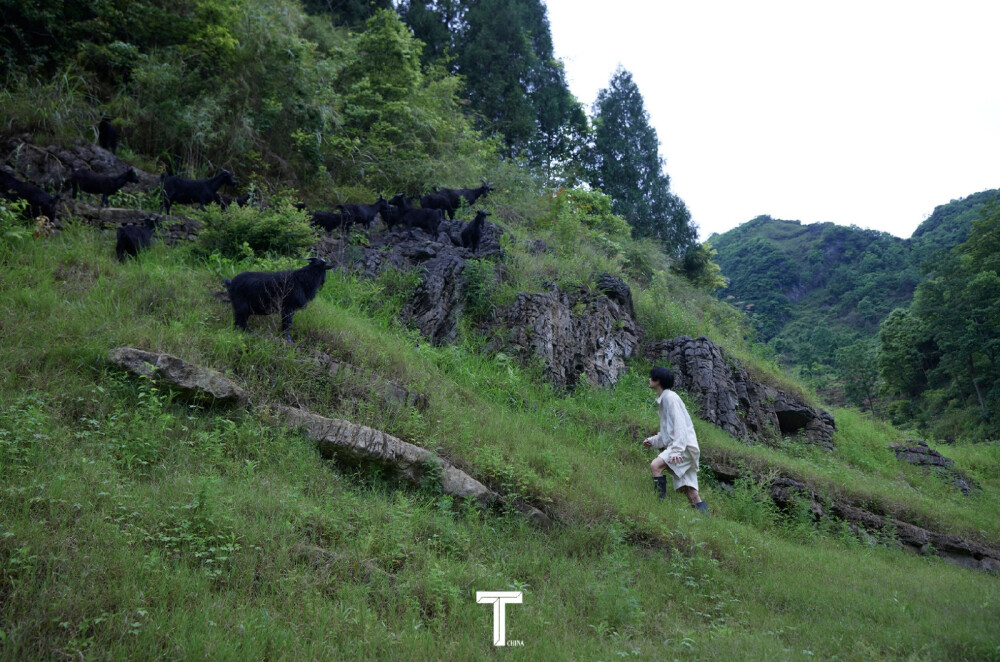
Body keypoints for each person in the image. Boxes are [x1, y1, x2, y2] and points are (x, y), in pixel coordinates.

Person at [642, 366, 709, 514]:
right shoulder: (666, 398)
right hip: (683, 446)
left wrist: (677, 450)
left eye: (651, 377)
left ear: (658, 380)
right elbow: (668, 433)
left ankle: (659, 506)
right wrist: (653, 441)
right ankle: (707, 522)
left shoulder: (670, 398)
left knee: (655, 466)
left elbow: (680, 426)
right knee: (691, 493)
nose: (649, 380)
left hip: (683, 447)